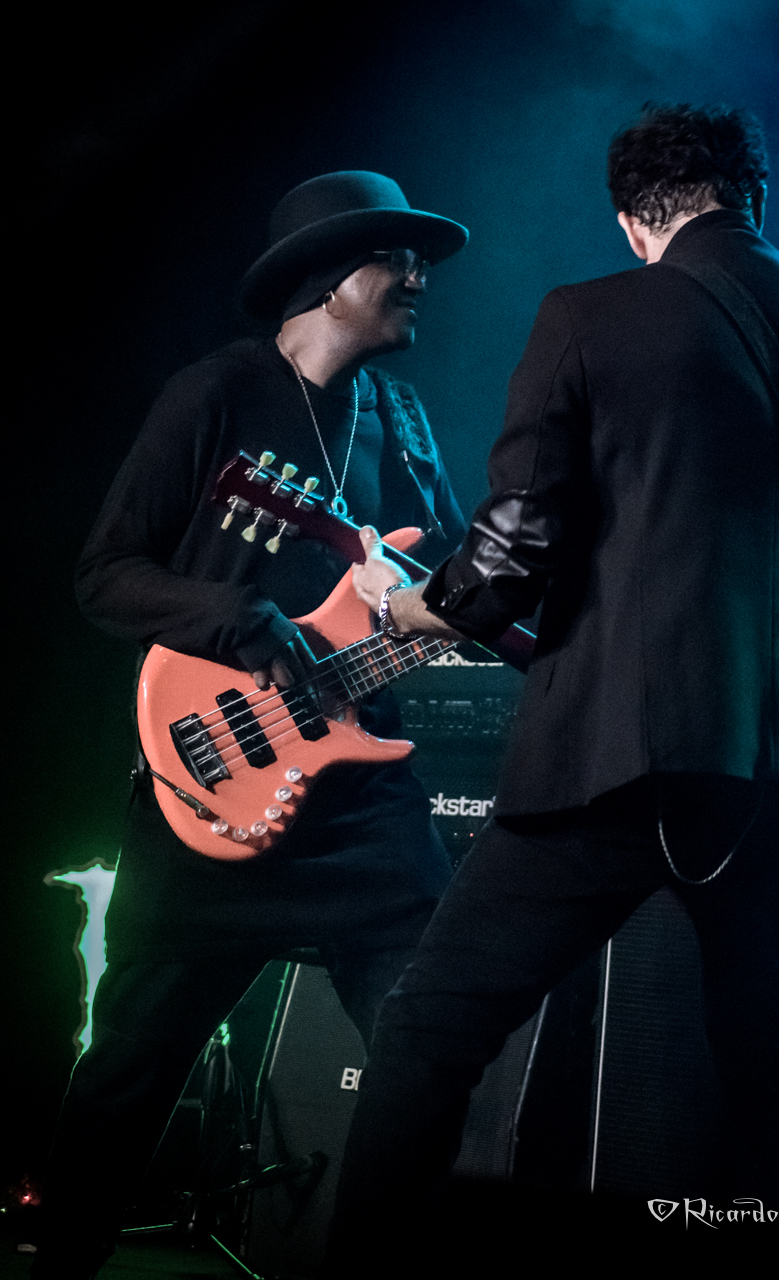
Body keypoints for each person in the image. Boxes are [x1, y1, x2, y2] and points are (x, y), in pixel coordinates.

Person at [333, 105, 779, 1226]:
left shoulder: (588, 314)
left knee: (430, 1029)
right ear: (753, 199)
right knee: (769, 1074)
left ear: (631, 220)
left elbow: (513, 551)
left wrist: (426, 606)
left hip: (619, 756)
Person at [35, 170, 469, 1278]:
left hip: (361, 800)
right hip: (212, 775)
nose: (419, 276)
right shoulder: (215, 394)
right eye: (394, 258)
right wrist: (238, 615)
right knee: (130, 1067)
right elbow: (104, 574)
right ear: (326, 279)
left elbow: (452, 583)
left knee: (429, 1041)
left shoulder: (402, 419)